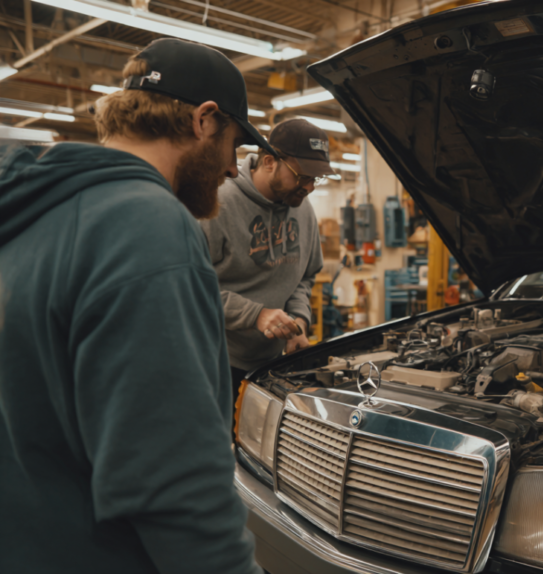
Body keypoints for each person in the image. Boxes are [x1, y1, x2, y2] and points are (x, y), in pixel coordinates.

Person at [0, 38, 266, 574]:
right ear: (205, 121)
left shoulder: (35, 210)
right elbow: (174, 485)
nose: (234, 170)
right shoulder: (147, 226)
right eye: (235, 145)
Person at [201, 118, 331, 397]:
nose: (309, 187)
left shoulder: (302, 208)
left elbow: (303, 276)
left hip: (270, 365)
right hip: (213, 361)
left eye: (315, 179)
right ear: (270, 161)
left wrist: (297, 322)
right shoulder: (216, 203)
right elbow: (191, 286)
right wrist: (254, 315)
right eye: (303, 176)